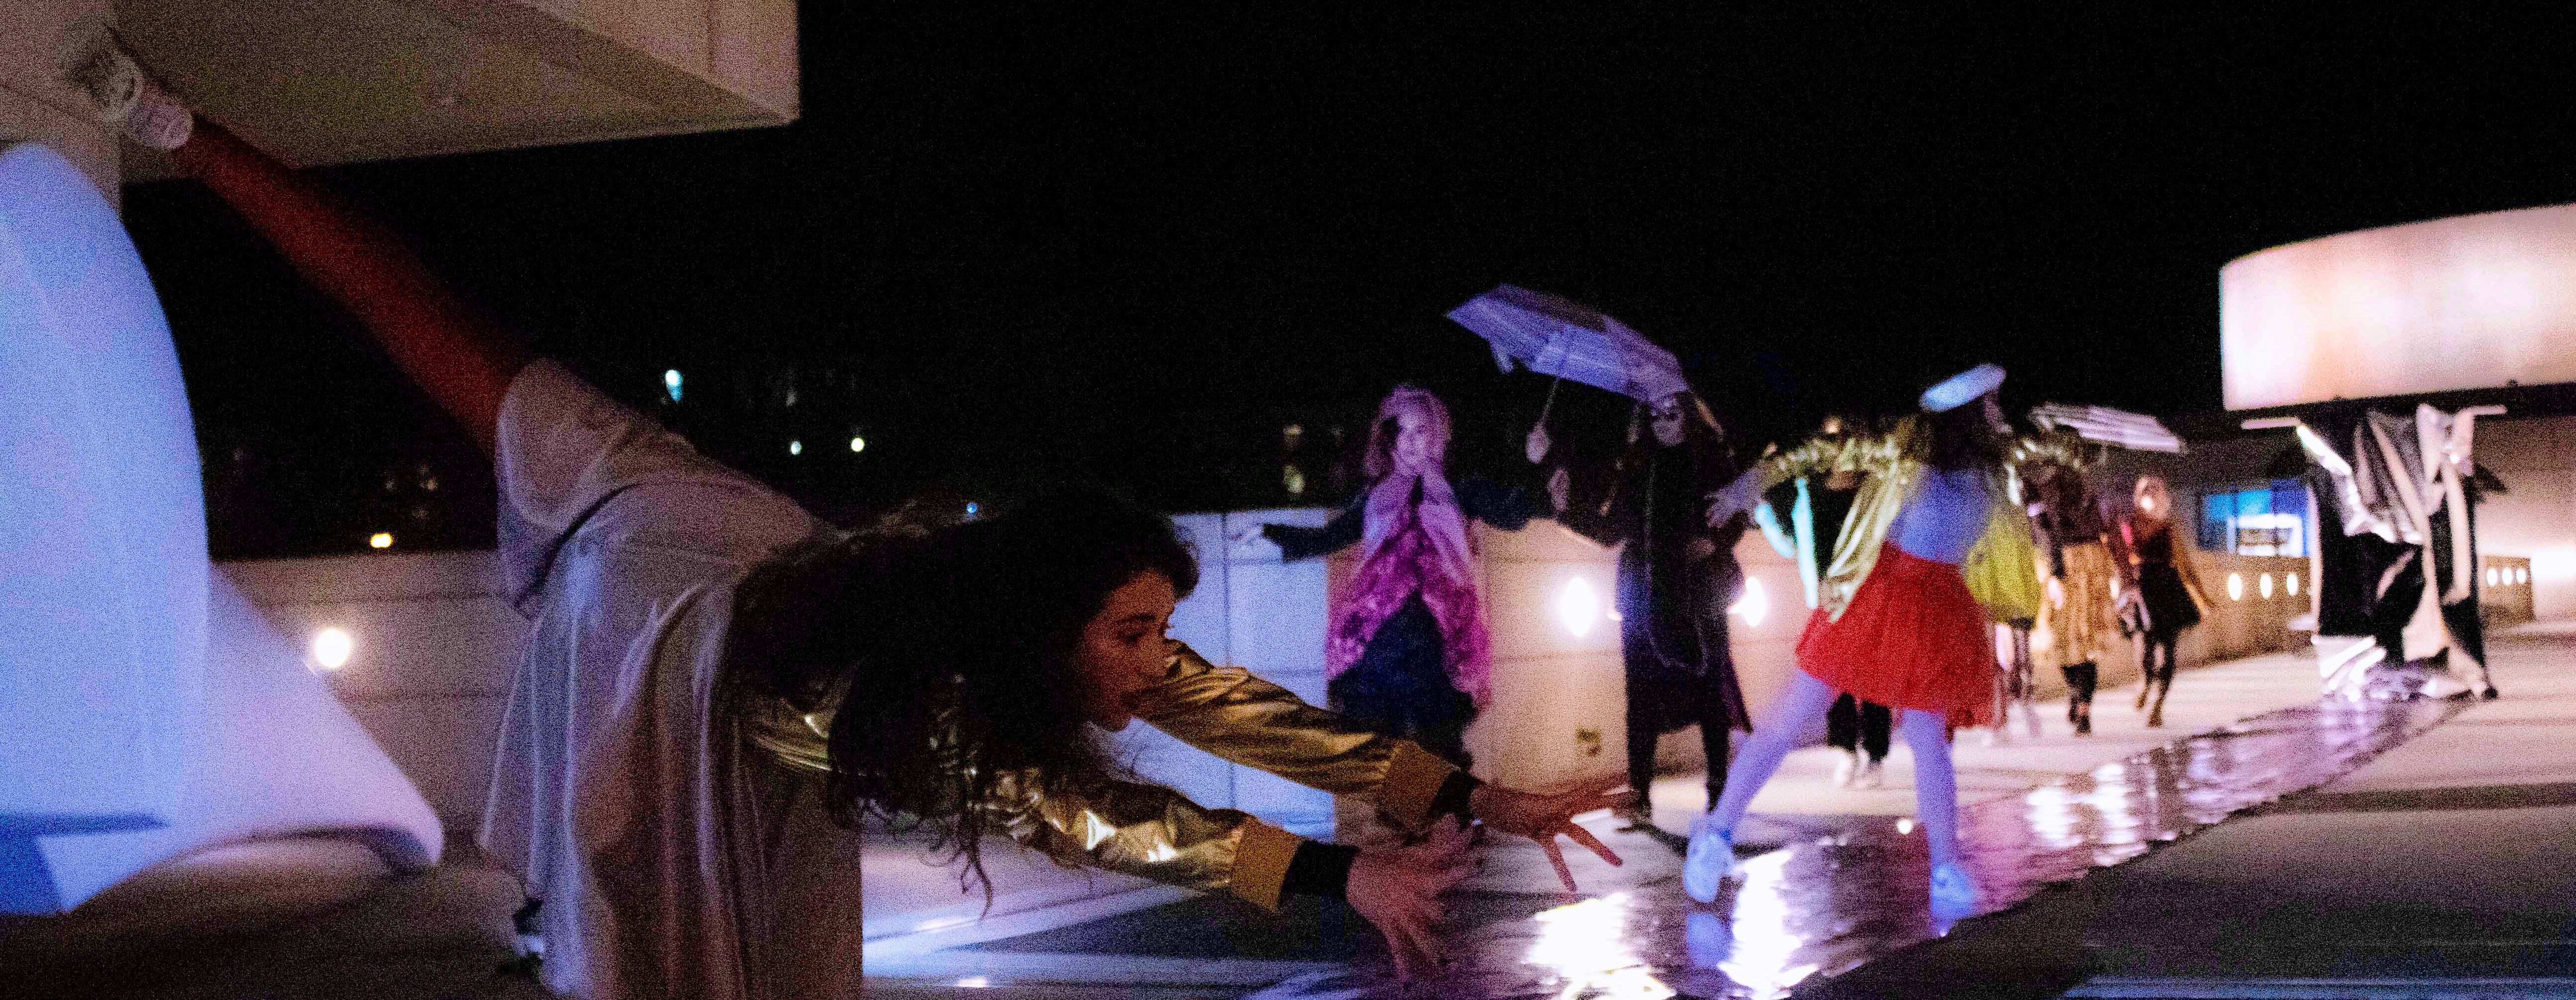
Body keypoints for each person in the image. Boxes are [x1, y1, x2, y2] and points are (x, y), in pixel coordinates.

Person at [138, 97, 1627, 995]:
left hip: (697, 634)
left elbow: (1211, 698)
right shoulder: (820, 684)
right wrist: (1336, 881)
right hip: (692, 828)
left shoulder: (674, 494)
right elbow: (1078, 809)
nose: (1155, 661)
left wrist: (1471, 791)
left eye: (1147, 627)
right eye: (1128, 630)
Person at [1683, 365, 2033, 918]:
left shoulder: (1994, 469)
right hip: (1880, 598)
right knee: (1789, 718)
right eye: (1992, 401)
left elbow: (2059, 456)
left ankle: (1945, 867)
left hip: (1940, 606)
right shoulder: (1908, 452)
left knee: (1929, 743)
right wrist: (1756, 480)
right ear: (1967, 409)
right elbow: (1824, 455)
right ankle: (1716, 834)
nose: (2001, 410)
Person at [1258, 386, 1535, 775]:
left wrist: (1534, 460)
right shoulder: (1377, 495)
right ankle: (1415, 826)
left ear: (1436, 434)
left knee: (1439, 744)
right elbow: (1328, 537)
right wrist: (1267, 531)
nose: (1409, 442)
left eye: (1420, 430)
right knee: (1386, 749)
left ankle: (1449, 823)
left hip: (1440, 639)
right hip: (1382, 638)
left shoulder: (1459, 489)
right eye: (1401, 431)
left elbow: (1515, 514)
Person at [1552, 392, 1754, 829]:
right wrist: (1566, 508)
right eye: (1656, 414)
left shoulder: (1710, 461)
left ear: (1687, 415)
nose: (1663, 422)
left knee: (1708, 693)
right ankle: (1640, 794)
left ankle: (1718, 786)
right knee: (1640, 698)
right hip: (1644, 597)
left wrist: (1713, 542)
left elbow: (1738, 514)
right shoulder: (1639, 467)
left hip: (1698, 594)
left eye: (1672, 412)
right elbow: (1611, 531)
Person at [1754, 416, 1890, 787]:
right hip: (1827, 600)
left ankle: (1876, 755)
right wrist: (1763, 506)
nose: (1837, 449)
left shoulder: (1871, 491)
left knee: (1875, 678)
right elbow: (1791, 539)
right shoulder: (1807, 491)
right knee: (1836, 679)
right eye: (1829, 441)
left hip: (1869, 595)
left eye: (1843, 439)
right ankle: (1847, 751)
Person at [2115, 474, 2211, 728]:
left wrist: (2202, 596)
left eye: (2155, 492)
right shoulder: (2130, 525)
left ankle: (2158, 704)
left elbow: (2183, 563)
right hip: (2144, 589)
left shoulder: (2169, 527)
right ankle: (2146, 683)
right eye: (2146, 493)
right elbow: (2124, 558)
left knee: (2168, 650)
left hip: (2168, 589)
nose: (2151, 497)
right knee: (2146, 646)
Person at [2028, 461, 2115, 735]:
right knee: (2087, 643)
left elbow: (2046, 531)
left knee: (2065, 642)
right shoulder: (2084, 485)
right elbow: (2102, 527)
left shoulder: (2043, 487)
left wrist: (2054, 570)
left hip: (2064, 566)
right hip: (2091, 564)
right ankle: (2083, 704)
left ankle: (2078, 697)